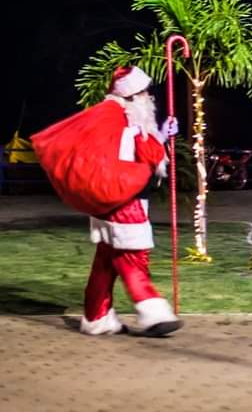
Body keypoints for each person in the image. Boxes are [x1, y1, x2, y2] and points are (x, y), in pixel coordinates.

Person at [79, 65, 182, 336]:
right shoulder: (127, 121)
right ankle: (152, 312)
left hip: (110, 198)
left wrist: (160, 134)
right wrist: (160, 136)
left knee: (106, 259)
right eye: (145, 92)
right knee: (133, 257)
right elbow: (146, 154)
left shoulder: (115, 118)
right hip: (125, 200)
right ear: (133, 96)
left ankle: (96, 317)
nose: (150, 97)